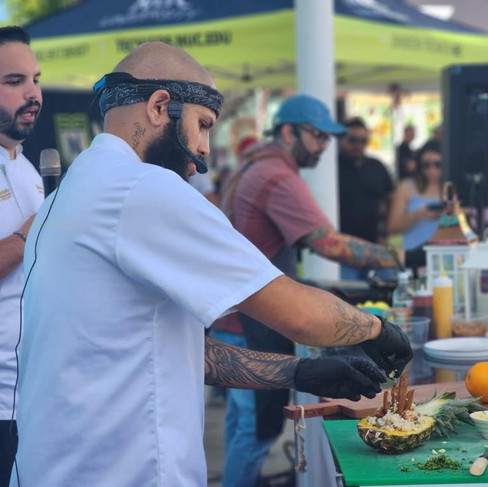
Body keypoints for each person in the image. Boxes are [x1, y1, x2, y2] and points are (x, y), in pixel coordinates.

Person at [13, 43, 412, 487]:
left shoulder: (71, 191)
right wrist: (379, 329)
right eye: (202, 126)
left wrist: (297, 371)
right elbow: (300, 317)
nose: (203, 153)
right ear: (160, 106)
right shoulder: (142, 189)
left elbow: (182, 354)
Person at [215, 95, 403, 487]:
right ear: (289, 131)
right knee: (257, 433)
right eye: (318, 137)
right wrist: (401, 256)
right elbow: (329, 244)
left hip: (228, 314)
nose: (323, 147)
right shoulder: (277, 176)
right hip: (252, 321)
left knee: (242, 429)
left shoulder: (249, 165)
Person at [0, 26, 43, 487]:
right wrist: (34, 233)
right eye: (15, 82)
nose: (33, 93)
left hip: (31, 394)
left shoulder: (27, 166)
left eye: (35, 79)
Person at [338, 117, 395, 280]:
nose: (358, 145)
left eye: (363, 140)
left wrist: (385, 232)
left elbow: (391, 198)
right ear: (342, 140)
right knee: (346, 297)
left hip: (375, 247)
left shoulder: (377, 166)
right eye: (353, 140)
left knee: (384, 294)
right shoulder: (333, 167)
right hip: (343, 250)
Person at [387, 147, 443, 278]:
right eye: (426, 165)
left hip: (443, 259)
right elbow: (392, 227)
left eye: (437, 164)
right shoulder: (406, 186)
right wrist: (417, 215)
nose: (432, 169)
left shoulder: (451, 188)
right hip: (413, 259)